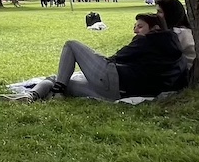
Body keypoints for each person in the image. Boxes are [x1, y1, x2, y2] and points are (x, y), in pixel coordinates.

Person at [26, 14, 184, 101]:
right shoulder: (175, 49)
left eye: (140, 26)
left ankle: (54, 92)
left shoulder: (148, 40)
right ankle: (31, 96)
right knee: (61, 80)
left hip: (115, 79)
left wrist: (95, 61)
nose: (136, 30)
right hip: (117, 93)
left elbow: (116, 58)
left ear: (155, 28)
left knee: (71, 45)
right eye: (135, 26)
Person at [155, 0, 196, 64]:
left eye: (160, 12)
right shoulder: (182, 31)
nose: (157, 15)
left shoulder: (180, 33)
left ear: (170, 14)